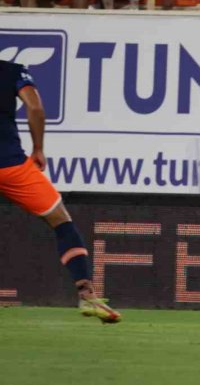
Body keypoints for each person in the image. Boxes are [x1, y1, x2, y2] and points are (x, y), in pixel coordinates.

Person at [0, 58, 121, 323]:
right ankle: (86, 293)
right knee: (61, 221)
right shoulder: (11, 70)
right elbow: (35, 107)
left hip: (10, 164)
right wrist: (38, 148)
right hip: (10, 166)